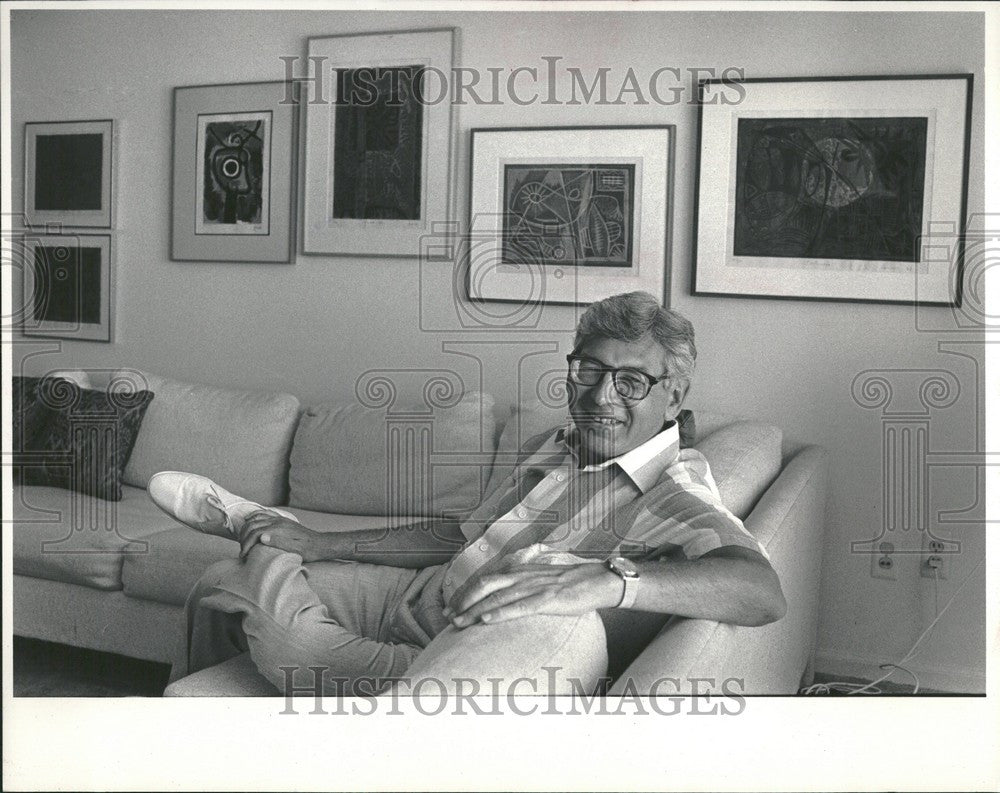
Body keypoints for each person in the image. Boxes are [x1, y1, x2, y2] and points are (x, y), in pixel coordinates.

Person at [156, 291, 785, 696]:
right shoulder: (559, 445)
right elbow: (459, 535)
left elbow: (760, 591)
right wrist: (318, 542)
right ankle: (264, 534)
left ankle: (250, 523)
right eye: (587, 371)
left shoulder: (673, 491)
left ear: (672, 396)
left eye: (630, 382)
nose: (598, 397)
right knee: (215, 581)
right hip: (415, 595)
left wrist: (610, 583)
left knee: (287, 636)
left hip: (451, 646)